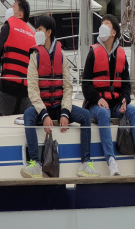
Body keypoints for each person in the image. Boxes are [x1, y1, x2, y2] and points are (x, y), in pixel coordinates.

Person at [20, 15, 100, 178]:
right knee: (28, 115)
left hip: (58, 107)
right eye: (36, 29)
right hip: (42, 107)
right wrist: (43, 114)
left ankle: (85, 163)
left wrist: (65, 112)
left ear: (48, 32)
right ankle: (35, 163)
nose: (37, 32)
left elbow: (67, 86)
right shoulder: (34, 56)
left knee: (85, 115)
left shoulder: (61, 55)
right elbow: (33, 89)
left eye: (39, 29)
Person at [82, 14, 135, 176]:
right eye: (102, 23)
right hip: (95, 105)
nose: (102, 26)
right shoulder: (93, 52)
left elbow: (126, 84)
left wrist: (124, 99)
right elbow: (86, 85)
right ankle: (111, 161)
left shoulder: (121, 54)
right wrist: (98, 99)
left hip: (115, 104)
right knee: (102, 113)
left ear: (113, 32)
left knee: (133, 111)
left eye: (106, 24)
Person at [0, 0, 34, 116]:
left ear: (20, 14)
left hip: (6, 98)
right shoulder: (33, 36)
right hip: (25, 102)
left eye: (13, 6)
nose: (11, 9)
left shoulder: (8, 27)